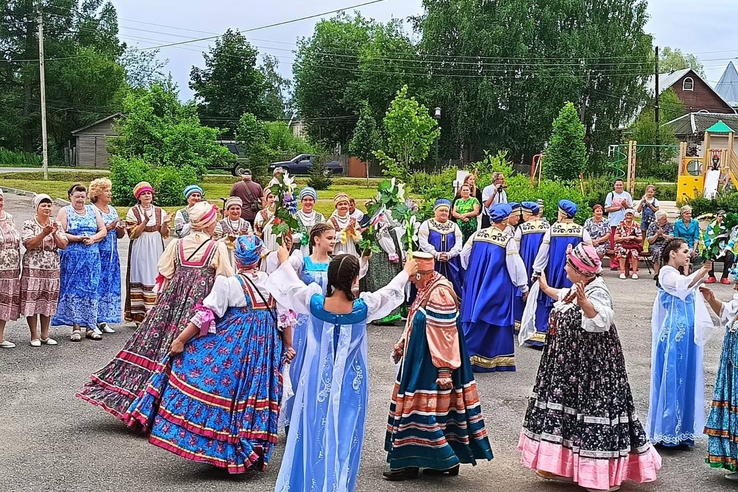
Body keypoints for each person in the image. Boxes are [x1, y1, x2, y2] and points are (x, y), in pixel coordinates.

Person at [125, 235, 294, 474]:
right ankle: (251, 446)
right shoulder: (273, 283)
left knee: (229, 392)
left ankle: (228, 448)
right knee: (254, 392)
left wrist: (181, 340)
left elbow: (206, 316)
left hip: (236, 345)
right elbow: (286, 317)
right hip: (265, 348)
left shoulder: (227, 283)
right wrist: (288, 346)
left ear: (236, 258)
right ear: (259, 258)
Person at [267, 248, 417, 492]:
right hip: (351, 382)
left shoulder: (314, 302)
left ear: (329, 277)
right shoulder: (363, 308)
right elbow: (389, 292)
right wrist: (406, 271)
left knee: (312, 429)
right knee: (345, 435)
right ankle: (337, 485)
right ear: (355, 279)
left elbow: (292, 284)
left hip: (316, 379)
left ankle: (308, 484)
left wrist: (284, 260)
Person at [519, 244, 662, 492]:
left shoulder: (597, 292)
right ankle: (563, 465)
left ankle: (598, 474)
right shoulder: (580, 287)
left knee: (592, 412)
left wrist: (586, 304)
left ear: (582, 271)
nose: (564, 268)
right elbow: (564, 295)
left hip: (592, 369)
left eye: (568, 266)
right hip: (570, 367)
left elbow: (603, 317)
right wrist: (544, 288)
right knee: (569, 413)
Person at [77, 202, 232, 422]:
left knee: (160, 344)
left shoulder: (177, 244)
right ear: (208, 223)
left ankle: (152, 400)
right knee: (195, 349)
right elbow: (223, 279)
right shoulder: (217, 247)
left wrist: (160, 306)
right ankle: (182, 408)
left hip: (171, 301)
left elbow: (165, 275)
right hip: (200, 304)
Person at [383, 251, 493, 481]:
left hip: (432, 364)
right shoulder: (426, 288)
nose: (410, 279)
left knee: (424, 409)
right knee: (433, 411)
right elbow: (416, 319)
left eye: (413, 275)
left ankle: (411, 462)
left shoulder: (440, 293)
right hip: (420, 356)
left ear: (422, 274)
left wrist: (444, 371)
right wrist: (403, 343)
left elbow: (446, 336)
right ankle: (439, 461)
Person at [265, 222, 335, 431]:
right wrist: (284, 249)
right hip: (303, 324)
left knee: (321, 369)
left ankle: (315, 417)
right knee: (297, 368)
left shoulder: (335, 264)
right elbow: (282, 272)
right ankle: (292, 420)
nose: (333, 241)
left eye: (334, 238)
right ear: (317, 239)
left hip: (325, 321)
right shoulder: (301, 261)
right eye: (330, 238)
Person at [647, 238, 713, 448]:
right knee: (673, 378)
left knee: (686, 378)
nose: (688, 254)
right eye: (684, 251)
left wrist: (699, 272)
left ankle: (683, 431)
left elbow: (689, 285)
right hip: (675, 332)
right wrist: (702, 270)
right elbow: (682, 287)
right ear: (672, 253)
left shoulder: (678, 273)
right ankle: (667, 430)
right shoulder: (666, 273)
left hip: (686, 334)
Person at [460, 203, 529, 372]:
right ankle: (493, 358)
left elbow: (464, 256)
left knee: (474, 316)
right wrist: (523, 286)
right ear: (505, 221)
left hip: (475, 282)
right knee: (496, 317)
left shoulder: (477, 235)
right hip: (498, 284)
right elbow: (515, 265)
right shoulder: (507, 240)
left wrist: (473, 274)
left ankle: (469, 356)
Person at [520, 200, 591, 347]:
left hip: (552, 271)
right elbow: (590, 254)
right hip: (574, 273)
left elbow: (543, 254)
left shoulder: (552, 230)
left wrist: (537, 270)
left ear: (562, 214)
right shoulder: (582, 231)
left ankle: (543, 335)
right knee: (572, 300)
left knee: (548, 298)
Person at [52, 184, 107, 342]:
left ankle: (90, 327)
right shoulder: (65, 211)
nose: (80, 199)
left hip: (91, 257)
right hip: (72, 257)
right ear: (70, 196)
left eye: (83, 196)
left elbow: (102, 230)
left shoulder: (92, 210)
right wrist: (77, 239)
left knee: (91, 290)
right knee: (74, 290)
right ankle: (76, 327)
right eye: (77, 196)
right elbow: (60, 232)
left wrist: (93, 238)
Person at [701, 278, 738, 481]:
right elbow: (726, 313)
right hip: (732, 364)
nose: (734, 286)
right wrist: (711, 299)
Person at [19, 194, 68, 347]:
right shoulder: (29, 224)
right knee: (33, 299)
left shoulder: (56, 224)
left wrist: (53, 233)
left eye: (49, 205)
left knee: (48, 299)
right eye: (43, 205)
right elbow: (29, 244)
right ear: (37, 207)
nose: (47, 208)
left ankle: (45, 334)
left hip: (52, 266)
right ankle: (34, 334)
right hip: (33, 266)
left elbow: (63, 245)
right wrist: (43, 233)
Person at [124, 182, 169, 325]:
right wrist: (145, 222)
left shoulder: (160, 211)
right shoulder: (133, 211)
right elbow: (133, 234)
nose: (147, 195)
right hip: (141, 247)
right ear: (139, 197)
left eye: (149, 193)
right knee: (141, 274)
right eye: (143, 193)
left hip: (156, 246)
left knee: (155, 275)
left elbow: (163, 233)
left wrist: (166, 223)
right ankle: (140, 315)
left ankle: (155, 312)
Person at [90, 178, 124, 334]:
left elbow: (119, 235)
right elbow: (93, 232)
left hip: (112, 254)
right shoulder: (92, 210)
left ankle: (103, 319)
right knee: (96, 286)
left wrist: (120, 228)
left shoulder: (113, 210)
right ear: (97, 193)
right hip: (98, 253)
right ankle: (92, 320)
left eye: (110, 190)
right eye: (106, 190)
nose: (110, 193)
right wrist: (110, 226)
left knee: (108, 286)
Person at [513, 201, 549, 347]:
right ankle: (539, 327)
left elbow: (515, 248)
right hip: (544, 264)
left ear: (527, 214)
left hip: (525, 262)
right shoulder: (548, 226)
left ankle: (519, 324)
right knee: (541, 293)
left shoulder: (521, 227)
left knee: (523, 290)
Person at [364, 210, 406, 323]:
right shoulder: (379, 218)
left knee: (389, 281)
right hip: (381, 255)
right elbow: (382, 235)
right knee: (380, 282)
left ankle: (392, 313)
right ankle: (381, 315)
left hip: (389, 255)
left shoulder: (396, 214)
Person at [419, 199, 464, 298]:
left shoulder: (454, 226)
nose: (444, 213)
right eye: (441, 210)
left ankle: (453, 303)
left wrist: (449, 254)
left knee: (452, 283)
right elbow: (423, 242)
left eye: (446, 211)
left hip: (451, 262)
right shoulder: (427, 224)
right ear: (435, 211)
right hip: (431, 262)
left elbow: (459, 244)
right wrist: (436, 254)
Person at [0, 190, 22, 349]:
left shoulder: (9, 217)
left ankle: (0, 337)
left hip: (11, 269)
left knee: (5, 302)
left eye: (1, 199)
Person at [215, 196, 253, 268]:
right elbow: (215, 242)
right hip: (225, 257)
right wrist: (226, 240)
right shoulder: (221, 224)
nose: (235, 211)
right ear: (227, 210)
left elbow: (251, 241)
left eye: (237, 209)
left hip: (242, 258)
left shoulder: (246, 224)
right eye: (232, 209)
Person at [604, 179, 633, 270]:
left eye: (620, 185)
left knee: (624, 242)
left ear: (623, 186)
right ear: (614, 186)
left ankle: (625, 262)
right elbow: (607, 209)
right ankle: (614, 263)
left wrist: (625, 206)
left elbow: (631, 209)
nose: (619, 186)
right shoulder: (610, 195)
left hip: (625, 223)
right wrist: (619, 207)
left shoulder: (627, 195)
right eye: (617, 185)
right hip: (613, 222)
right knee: (613, 243)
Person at [703, 210, 734, 284]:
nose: (721, 218)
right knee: (707, 253)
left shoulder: (728, 228)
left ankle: (724, 277)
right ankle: (711, 276)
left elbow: (732, 240)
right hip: (713, 247)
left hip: (724, 249)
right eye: (720, 216)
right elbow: (707, 238)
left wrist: (726, 248)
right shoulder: (711, 226)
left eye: (723, 217)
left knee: (730, 255)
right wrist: (710, 246)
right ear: (716, 217)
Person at [294, 187, 326, 256]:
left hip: (317, 253)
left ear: (314, 201)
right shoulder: (294, 217)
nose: (308, 202)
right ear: (301, 201)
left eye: (310, 200)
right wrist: (302, 237)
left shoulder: (320, 217)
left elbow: (324, 235)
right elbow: (290, 236)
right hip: (298, 253)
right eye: (305, 200)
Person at [330, 193, 361, 258]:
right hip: (337, 249)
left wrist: (353, 231)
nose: (343, 206)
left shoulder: (353, 220)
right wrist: (345, 231)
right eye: (340, 204)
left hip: (351, 249)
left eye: (345, 204)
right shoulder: (331, 221)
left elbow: (359, 239)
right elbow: (330, 239)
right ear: (336, 207)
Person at [614, 209, 643, 279]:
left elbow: (640, 238)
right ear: (625, 216)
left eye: (630, 215)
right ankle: (622, 272)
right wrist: (626, 238)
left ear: (633, 216)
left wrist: (634, 238)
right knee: (622, 250)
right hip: (621, 244)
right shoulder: (620, 224)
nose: (629, 217)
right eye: (627, 215)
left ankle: (634, 272)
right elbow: (616, 238)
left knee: (634, 252)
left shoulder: (636, 225)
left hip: (633, 244)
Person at [647, 211, 674, 278]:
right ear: (659, 220)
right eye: (664, 219)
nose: (666, 220)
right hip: (654, 245)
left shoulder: (669, 225)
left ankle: (667, 272)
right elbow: (650, 241)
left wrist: (663, 235)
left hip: (666, 244)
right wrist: (656, 234)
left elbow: (672, 237)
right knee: (657, 251)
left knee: (669, 251)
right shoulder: (652, 226)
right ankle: (657, 273)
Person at [254, 190, 278, 268]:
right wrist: (264, 250)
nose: (273, 199)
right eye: (270, 197)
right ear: (266, 199)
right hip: (266, 248)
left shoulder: (282, 214)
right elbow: (257, 234)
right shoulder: (261, 214)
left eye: (275, 197)